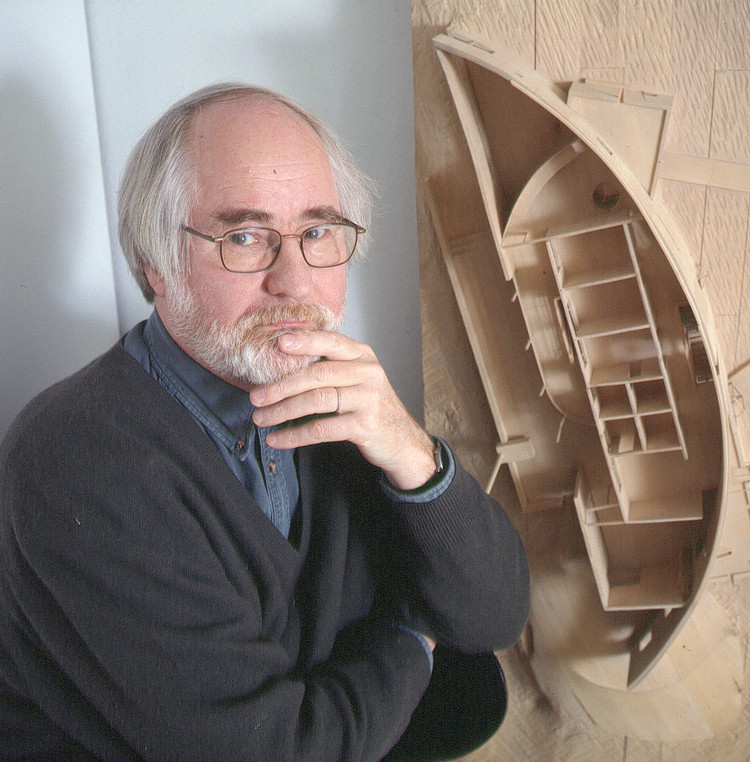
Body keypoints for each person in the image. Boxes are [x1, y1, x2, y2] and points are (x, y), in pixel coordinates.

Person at [0, 83, 529, 761]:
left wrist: (412, 455)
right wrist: (413, 638)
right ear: (155, 263)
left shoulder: (335, 393)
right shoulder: (79, 464)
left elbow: (494, 616)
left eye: (317, 232)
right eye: (245, 237)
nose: (295, 282)